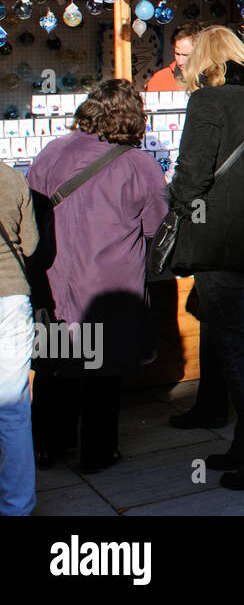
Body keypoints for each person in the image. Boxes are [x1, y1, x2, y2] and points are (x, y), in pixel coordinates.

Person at [168, 27, 244, 490]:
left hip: (216, 242)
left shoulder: (206, 102)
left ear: (204, 61)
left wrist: (178, 200)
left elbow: (192, 174)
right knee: (243, 347)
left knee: (236, 349)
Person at [25, 80, 168, 474]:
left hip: (56, 280)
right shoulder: (139, 164)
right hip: (109, 284)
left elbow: (31, 210)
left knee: (58, 366)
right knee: (101, 376)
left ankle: (48, 447)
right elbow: (158, 225)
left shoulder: (53, 150)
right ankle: (97, 453)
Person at [0, 160, 38, 515]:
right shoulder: (12, 177)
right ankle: (18, 506)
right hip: (12, 298)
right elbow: (31, 244)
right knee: (13, 410)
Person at [145, 21, 204, 92]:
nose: (180, 61)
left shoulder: (213, 79)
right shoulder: (160, 79)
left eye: (186, 55)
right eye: (177, 54)